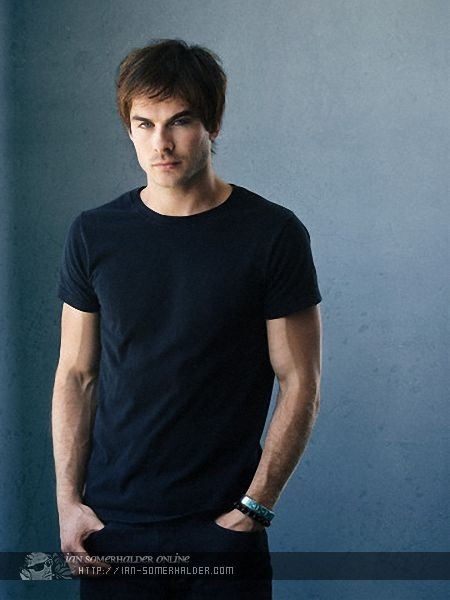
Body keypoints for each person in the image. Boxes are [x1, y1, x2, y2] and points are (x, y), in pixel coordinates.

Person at [52, 39, 322, 599]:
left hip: (221, 526)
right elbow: (76, 375)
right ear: (129, 129)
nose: (161, 143)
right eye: (144, 124)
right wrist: (68, 504)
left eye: (180, 121)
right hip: (113, 524)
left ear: (212, 124)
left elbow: (301, 380)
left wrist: (256, 507)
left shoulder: (272, 234)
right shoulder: (93, 234)